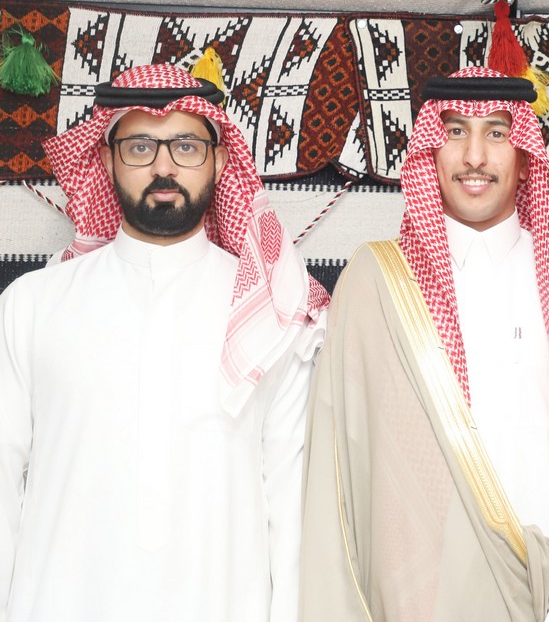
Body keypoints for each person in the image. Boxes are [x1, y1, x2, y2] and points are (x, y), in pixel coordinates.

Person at [299, 67, 549, 621]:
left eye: (497, 133)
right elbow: (344, 464)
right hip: (428, 595)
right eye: (455, 132)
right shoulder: (378, 282)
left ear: (526, 156)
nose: (474, 156)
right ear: (429, 151)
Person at [0, 64, 328, 622]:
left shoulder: (272, 317)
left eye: (186, 146)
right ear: (106, 160)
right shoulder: (32, 305)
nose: (163, 167)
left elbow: (291, 502)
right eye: (140, 147)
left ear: (220, 160)